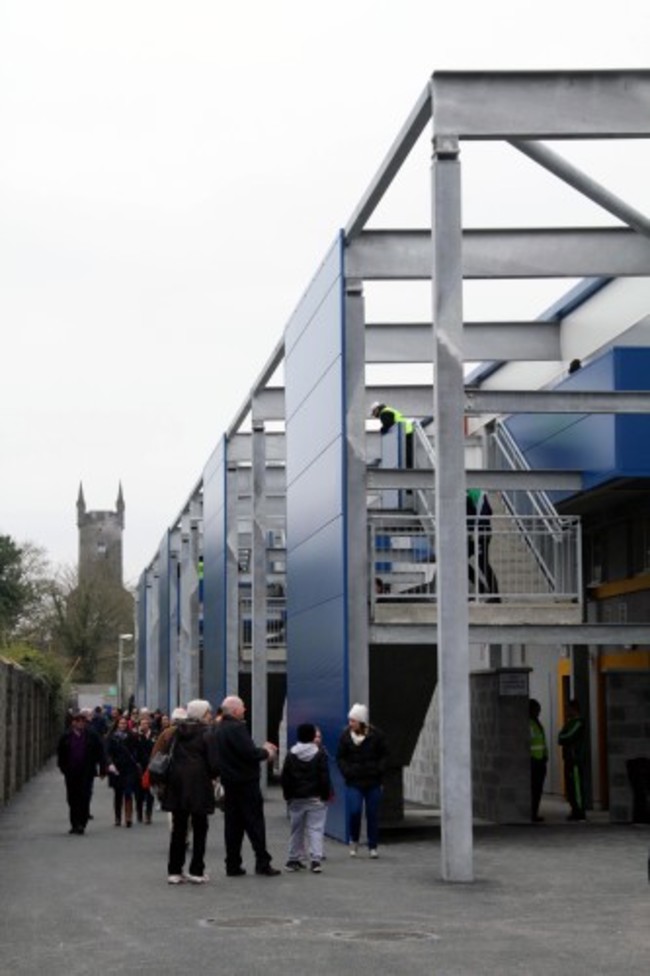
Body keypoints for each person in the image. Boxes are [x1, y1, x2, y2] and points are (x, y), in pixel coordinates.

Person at [213, 694, 280, 877]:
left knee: (233, 827)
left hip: (230, 784)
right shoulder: (237, 728)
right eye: (242, 707)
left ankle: (232, 864)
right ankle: (262, 863)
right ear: (235, 710)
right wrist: (267, 752)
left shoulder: (219, 729)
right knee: (255, 824)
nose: (245, 710)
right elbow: (249, 753)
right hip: (246, 784)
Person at [157, 699, 219, 885]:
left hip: (177, 786)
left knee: (179, 829)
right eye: (208, 713)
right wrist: (214, 775)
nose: (211, 716)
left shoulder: (176, 732)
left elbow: (166, 753)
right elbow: (214, 764)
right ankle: (196, 870)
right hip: (199, 786)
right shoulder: (207, 734)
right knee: (200, 828)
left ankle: (174, 871)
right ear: (201, 715)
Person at [336, 703, 388, 858]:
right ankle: (354, 840)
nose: (350, 723)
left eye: (353, 721)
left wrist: (379, 770)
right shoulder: (345, 736)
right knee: (355, 811)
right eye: (350, 720)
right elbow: (340, 757)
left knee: (372, 813)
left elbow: (384, 755)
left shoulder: (376, 735)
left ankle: (373, 846)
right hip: (354, 781)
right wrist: (347, 772)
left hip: (373, 781)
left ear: (361, 721)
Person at [281, 722, 332, 874]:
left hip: (296, 799)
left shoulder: (291, 754)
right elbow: (324, 777)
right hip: (316, 798)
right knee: (316, 829)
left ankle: (293, 859)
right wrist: (325, 795)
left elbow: (285, 778)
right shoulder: (319, 753)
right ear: (311, 736)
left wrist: (288, 796)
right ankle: (315, 860)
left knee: (296, 829)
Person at [57, 710, 106, 835]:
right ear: (73, 723)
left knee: (85, 797)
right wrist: (63, 768)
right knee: (72, 798)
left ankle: (81, 823)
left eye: (82, 721)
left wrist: (102, 768)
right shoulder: (66, 736)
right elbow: (60, 753)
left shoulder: (92, 735)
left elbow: (100, 752)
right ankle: (74, 823)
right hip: (71, 772)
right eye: (77, 721)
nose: (80, 724)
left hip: (87, 772)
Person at [106, 715, 142, 827]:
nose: (123, 725)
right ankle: (117, 817)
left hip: (129, 768)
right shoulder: (112, 737)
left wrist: (136, 761)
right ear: (117, 725)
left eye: (124, 724)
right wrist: (110, 763)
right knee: (118, 793)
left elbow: (137, 750)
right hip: (116, 768)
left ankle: (128, 817)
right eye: (121, 723)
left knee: (128, 792)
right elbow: (108, 752)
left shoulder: (132, 736)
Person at [466, 488, 500, 601]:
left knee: (483, 565)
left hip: (479, 536)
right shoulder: (476, 494)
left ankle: (494, 595)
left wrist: (474, 531)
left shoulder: (470, 496)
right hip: (476, 535)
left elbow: (486, 512)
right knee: (461, 562)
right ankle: (482, 588)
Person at [558, 698, 587, 822]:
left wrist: (562, 735)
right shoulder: (570, 722)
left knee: (576, 787)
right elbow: (561, 737)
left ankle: (580, 812)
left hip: (575, 758)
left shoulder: (578, 722)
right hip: (569, 758)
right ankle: (575, 809)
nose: (566, 711)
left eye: (568, 708)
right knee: (571, 787)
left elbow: (565, 737)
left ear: (573, 708)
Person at [370, 401, 414, 468]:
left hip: (404, 433)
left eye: (374, 413)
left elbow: (389, 424)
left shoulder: (384, 413)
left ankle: (409, 468)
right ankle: (409, 466)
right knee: (407, 452)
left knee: (406, 453)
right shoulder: (388, 410)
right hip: (407, 431)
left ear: (376, 409)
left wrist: (382, 430)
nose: (375, 415)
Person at [529, 699, 548, 822]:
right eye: (537, 709)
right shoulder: (529, 723)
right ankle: (532, 814)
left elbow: (542, 742)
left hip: (541, 760)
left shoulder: (537, 723)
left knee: (538, 789)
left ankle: (535, 813)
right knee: (533, 789)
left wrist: (545, 756)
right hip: (533, 760)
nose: (539, 712)